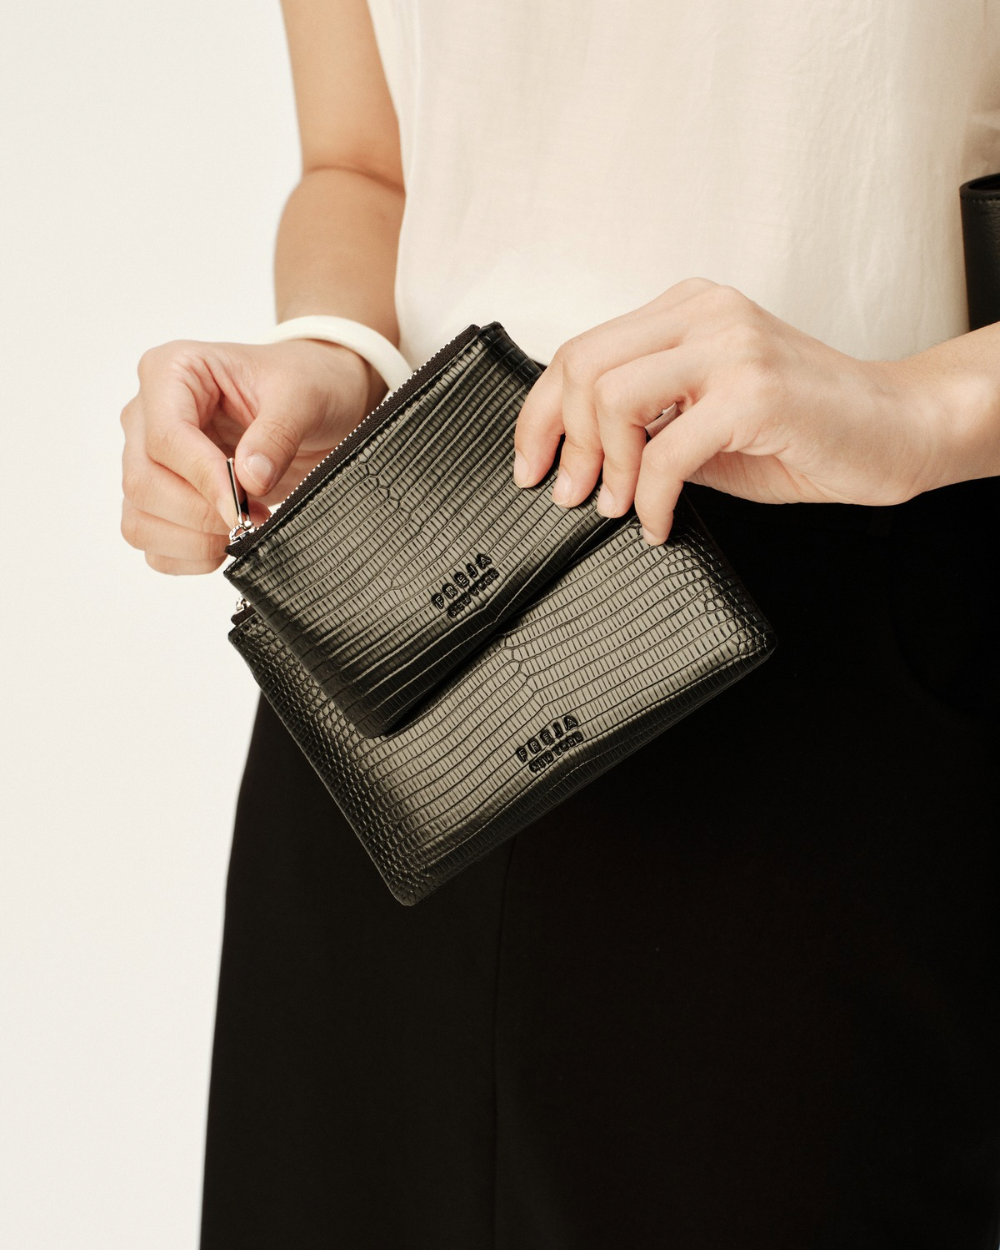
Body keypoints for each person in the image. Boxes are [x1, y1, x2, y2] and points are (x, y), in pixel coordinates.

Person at [119, 1, 1000, 1245]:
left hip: (839, 644)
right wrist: (336, 350)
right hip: (411, 660)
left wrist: (916, 408)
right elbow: (362, 165)